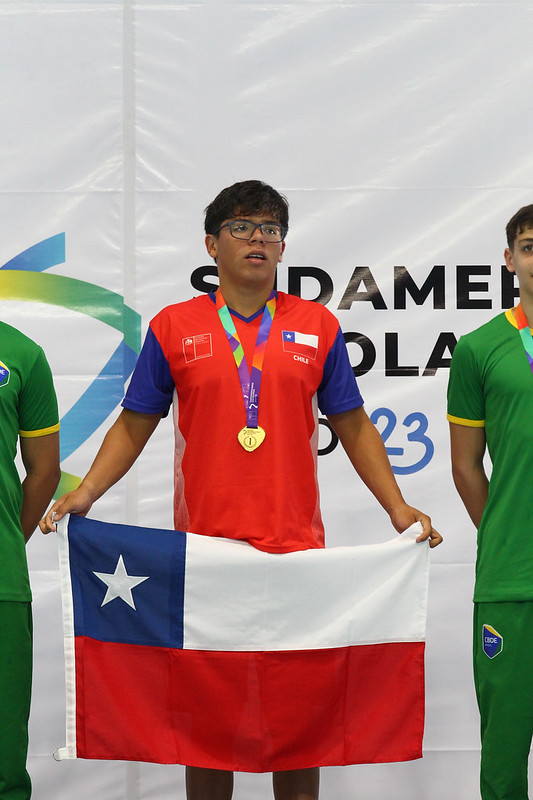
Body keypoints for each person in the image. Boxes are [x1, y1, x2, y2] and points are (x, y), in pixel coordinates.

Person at [41, 179, 441, 800]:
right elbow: (134, 420)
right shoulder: (175, 327)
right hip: (204, 556)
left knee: (297, 724)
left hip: (295, 552)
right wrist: (87, 491)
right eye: (243, 227)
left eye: (271, 230)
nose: (259, 239)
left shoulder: (317, 325)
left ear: (283, 249)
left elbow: (354, 424)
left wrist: (397, 508)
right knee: (208, 726)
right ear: (211, 245)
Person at [447, 204, 533, 800]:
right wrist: (503, 530)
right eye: (530, 246)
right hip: (511, 576)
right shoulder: (479, 349)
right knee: (504, 752)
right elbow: (463, 464)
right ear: (509, 260)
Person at [0, 321, 60, 799]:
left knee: (3, 766)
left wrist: (5, 541)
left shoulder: (22, 353)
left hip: (1, 581)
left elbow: (44, 471)